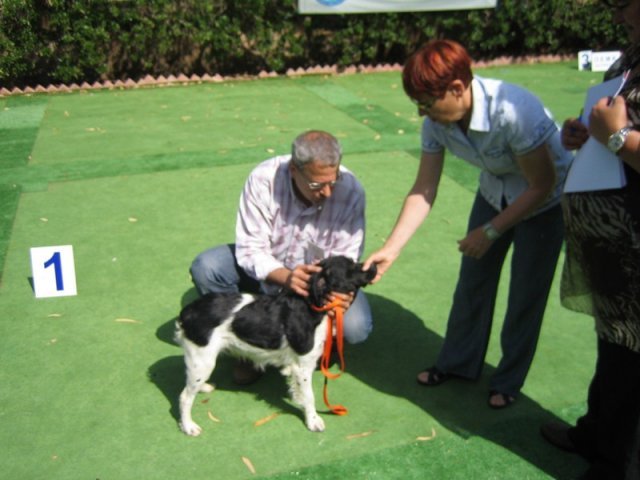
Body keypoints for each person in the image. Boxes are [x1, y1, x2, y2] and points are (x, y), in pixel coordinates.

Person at [363, 39, 571, 408]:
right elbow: (424, 188)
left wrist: (491, 231)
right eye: (418, 105)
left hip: (545, 202)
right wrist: (391, 248)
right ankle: (458, 363)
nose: (423, 113)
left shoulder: (513, 111)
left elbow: (542, 185)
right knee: (472, 283)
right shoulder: (437, 123)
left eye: (427, 104)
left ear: (457, 88)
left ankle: (507, 381)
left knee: (526, 293)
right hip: (494, 192)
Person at [540, 1, 640, 478]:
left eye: (625, 5)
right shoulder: (631, 56)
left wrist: (617, 136)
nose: (618, 16)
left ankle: (613, 463)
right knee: (612, 345)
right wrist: (585, 132)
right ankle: (595, 433)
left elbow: (621, 134)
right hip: (611, 242)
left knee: (631, 362)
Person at [190, 130, 372, 384]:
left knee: (357, 328)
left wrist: (339, 294)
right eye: (317, 185)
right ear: (293, 171)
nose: (328, 192)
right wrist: (287, 277)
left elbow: (346, 257)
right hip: (269, 270)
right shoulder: (263, 179)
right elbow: (250, 248)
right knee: (207, 267)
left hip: (320, 282)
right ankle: (247, 352)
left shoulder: (351, 191)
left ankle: (309, 345)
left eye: (334, 180)